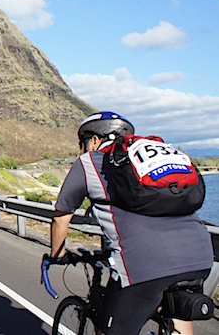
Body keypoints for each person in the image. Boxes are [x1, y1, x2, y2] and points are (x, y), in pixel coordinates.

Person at [48, 111, 213, 335]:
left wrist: (57, 255)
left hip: (143, 265)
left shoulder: (89, 162)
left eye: (82, 143)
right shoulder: (151, 161)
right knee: (177, 317)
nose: (81, 149)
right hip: (199, 256)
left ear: (94, 140)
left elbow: (61, 217)